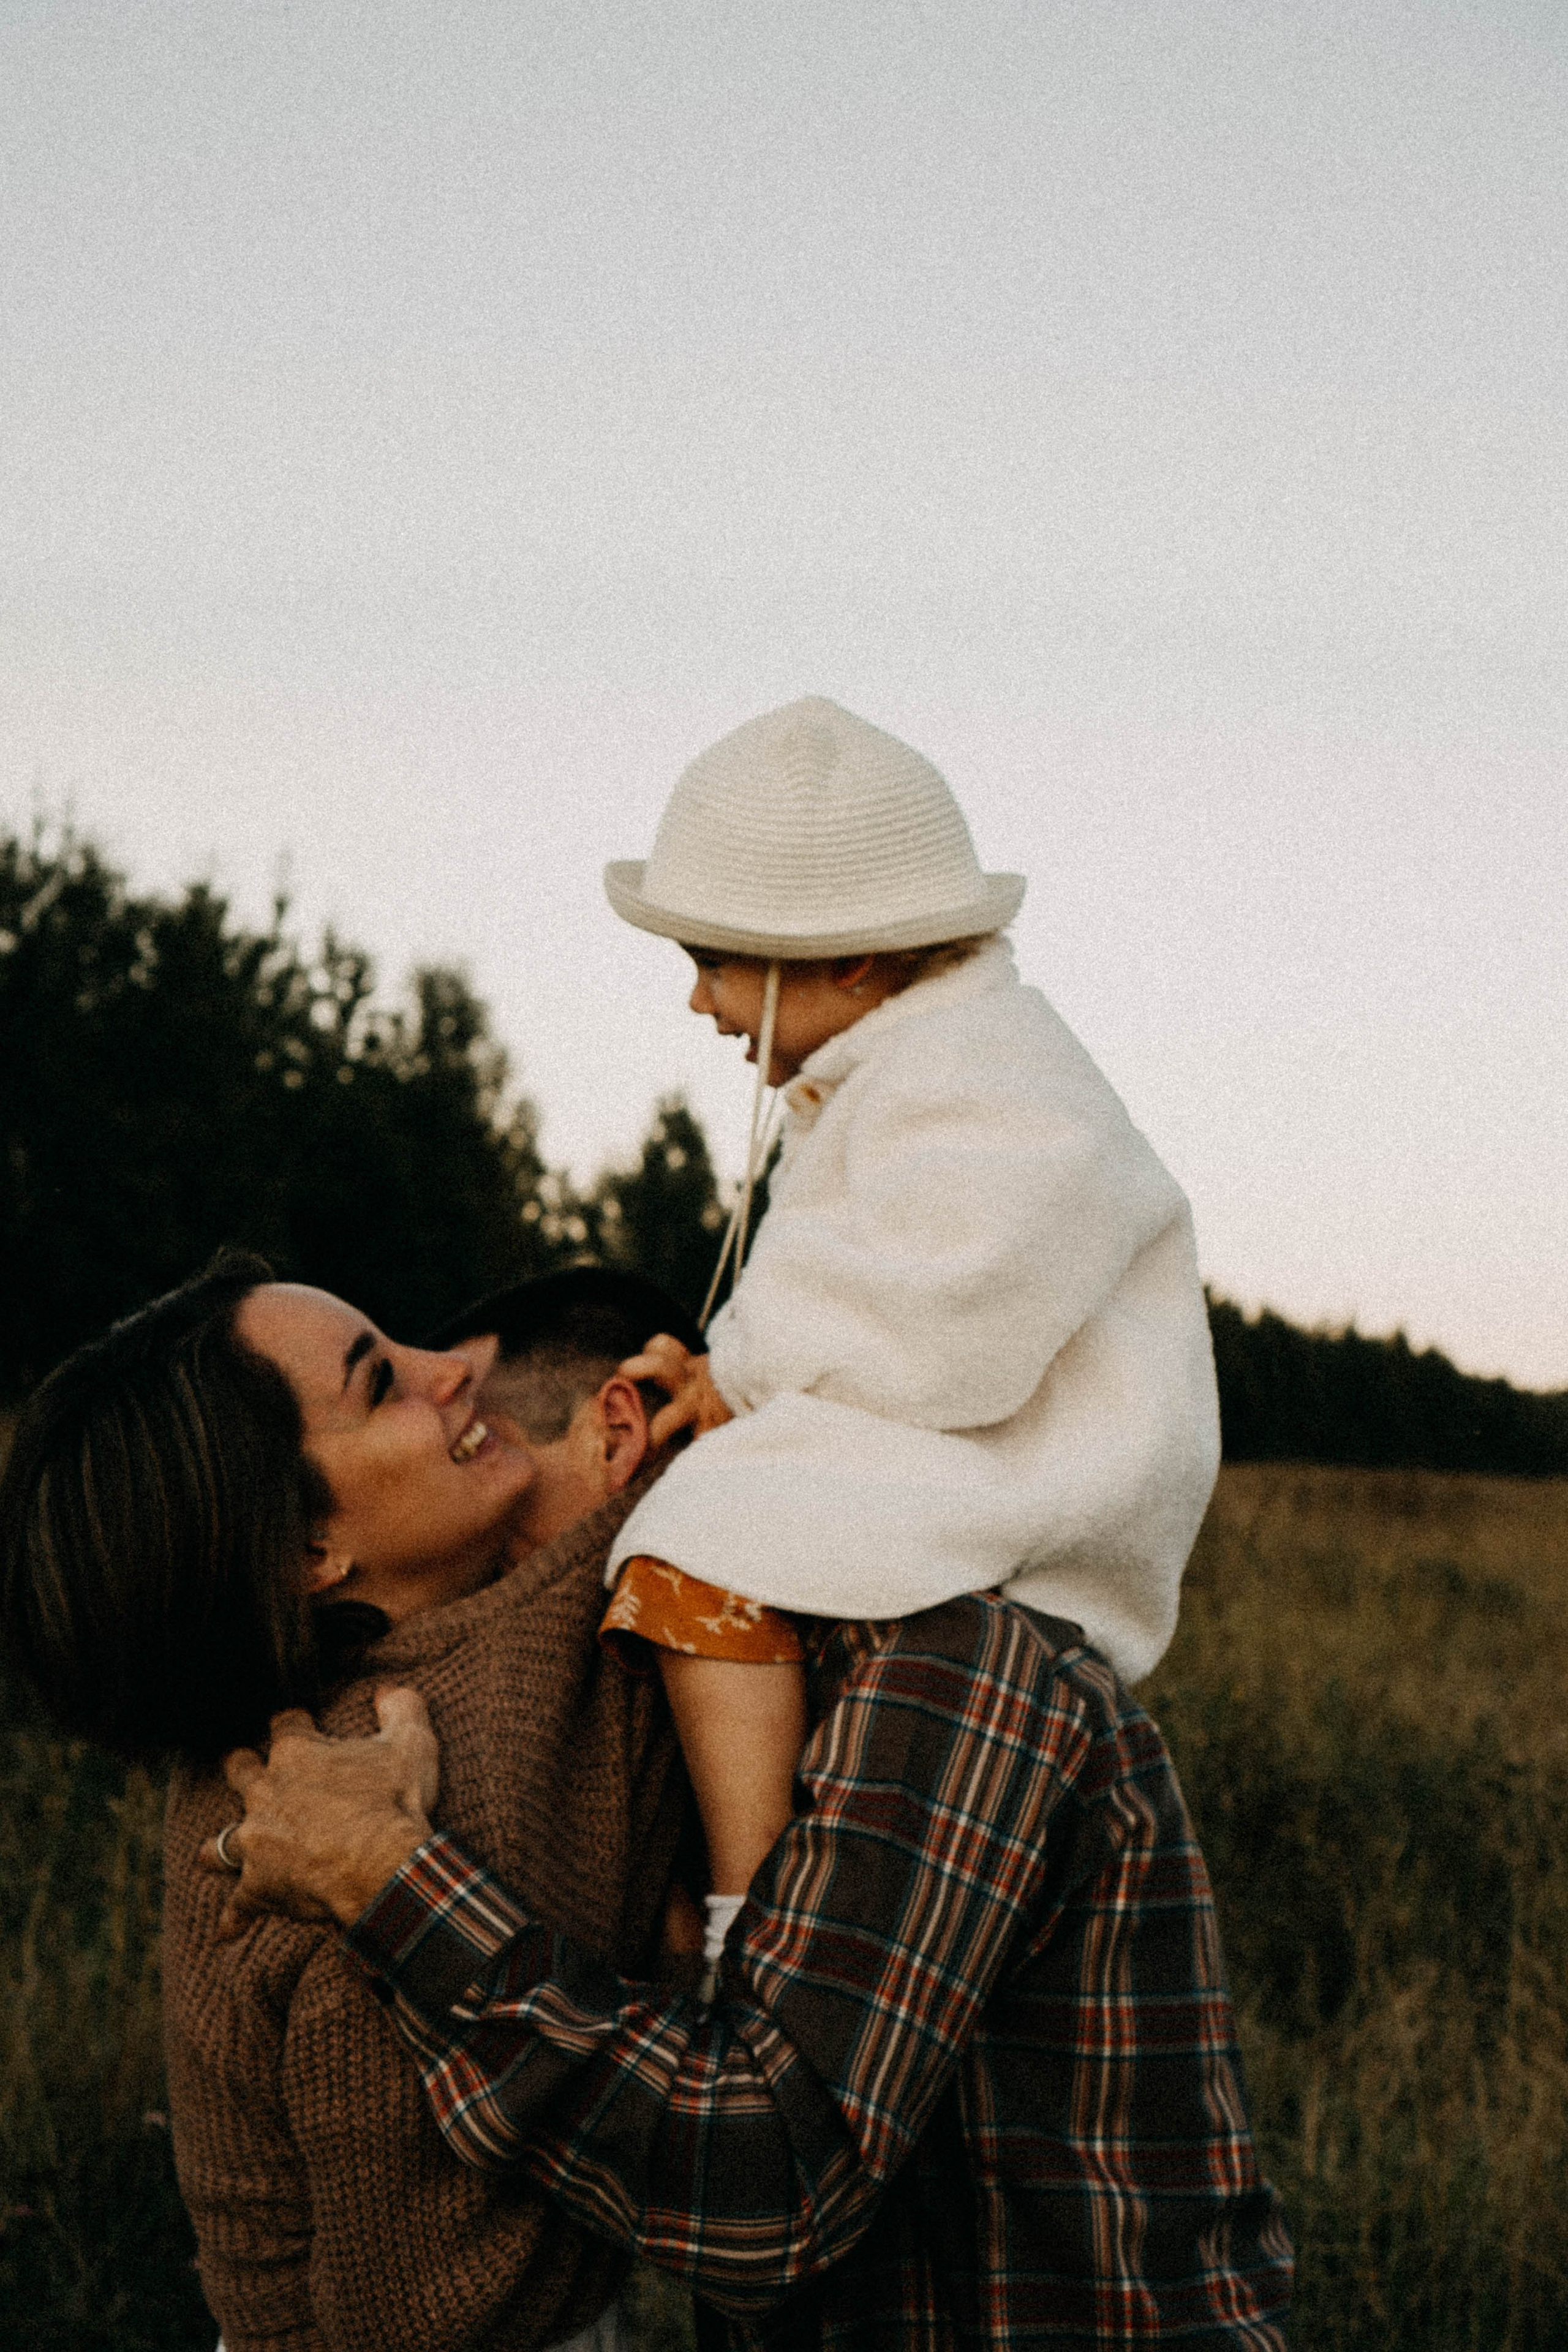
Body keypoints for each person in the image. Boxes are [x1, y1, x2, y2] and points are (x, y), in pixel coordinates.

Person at [203, 1589, 1293, 2348]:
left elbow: (765, 2181)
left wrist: (383, 1877)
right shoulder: (607, 1734)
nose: (453, 1387)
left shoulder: (947, 1670)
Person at [597, 696, 1223, 1976]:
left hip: (1036, 1475)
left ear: (849, 964)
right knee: (704, 1501)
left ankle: (749, 1915)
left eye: (715, 961)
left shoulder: (992, 1079)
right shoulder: (904, 1067)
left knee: (693, 1540)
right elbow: (871, 1293)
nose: (700, 1001)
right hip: (968, 1444)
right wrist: (730, 1375)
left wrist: (745, 1380)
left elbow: (944, 1322)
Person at [0, 1254, 704, 2352]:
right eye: (382, 1384)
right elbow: (405, 2317)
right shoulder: (389, 1784)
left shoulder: (321, 1710)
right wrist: (711, 1426)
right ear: (308, 1550)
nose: (456, 1371)